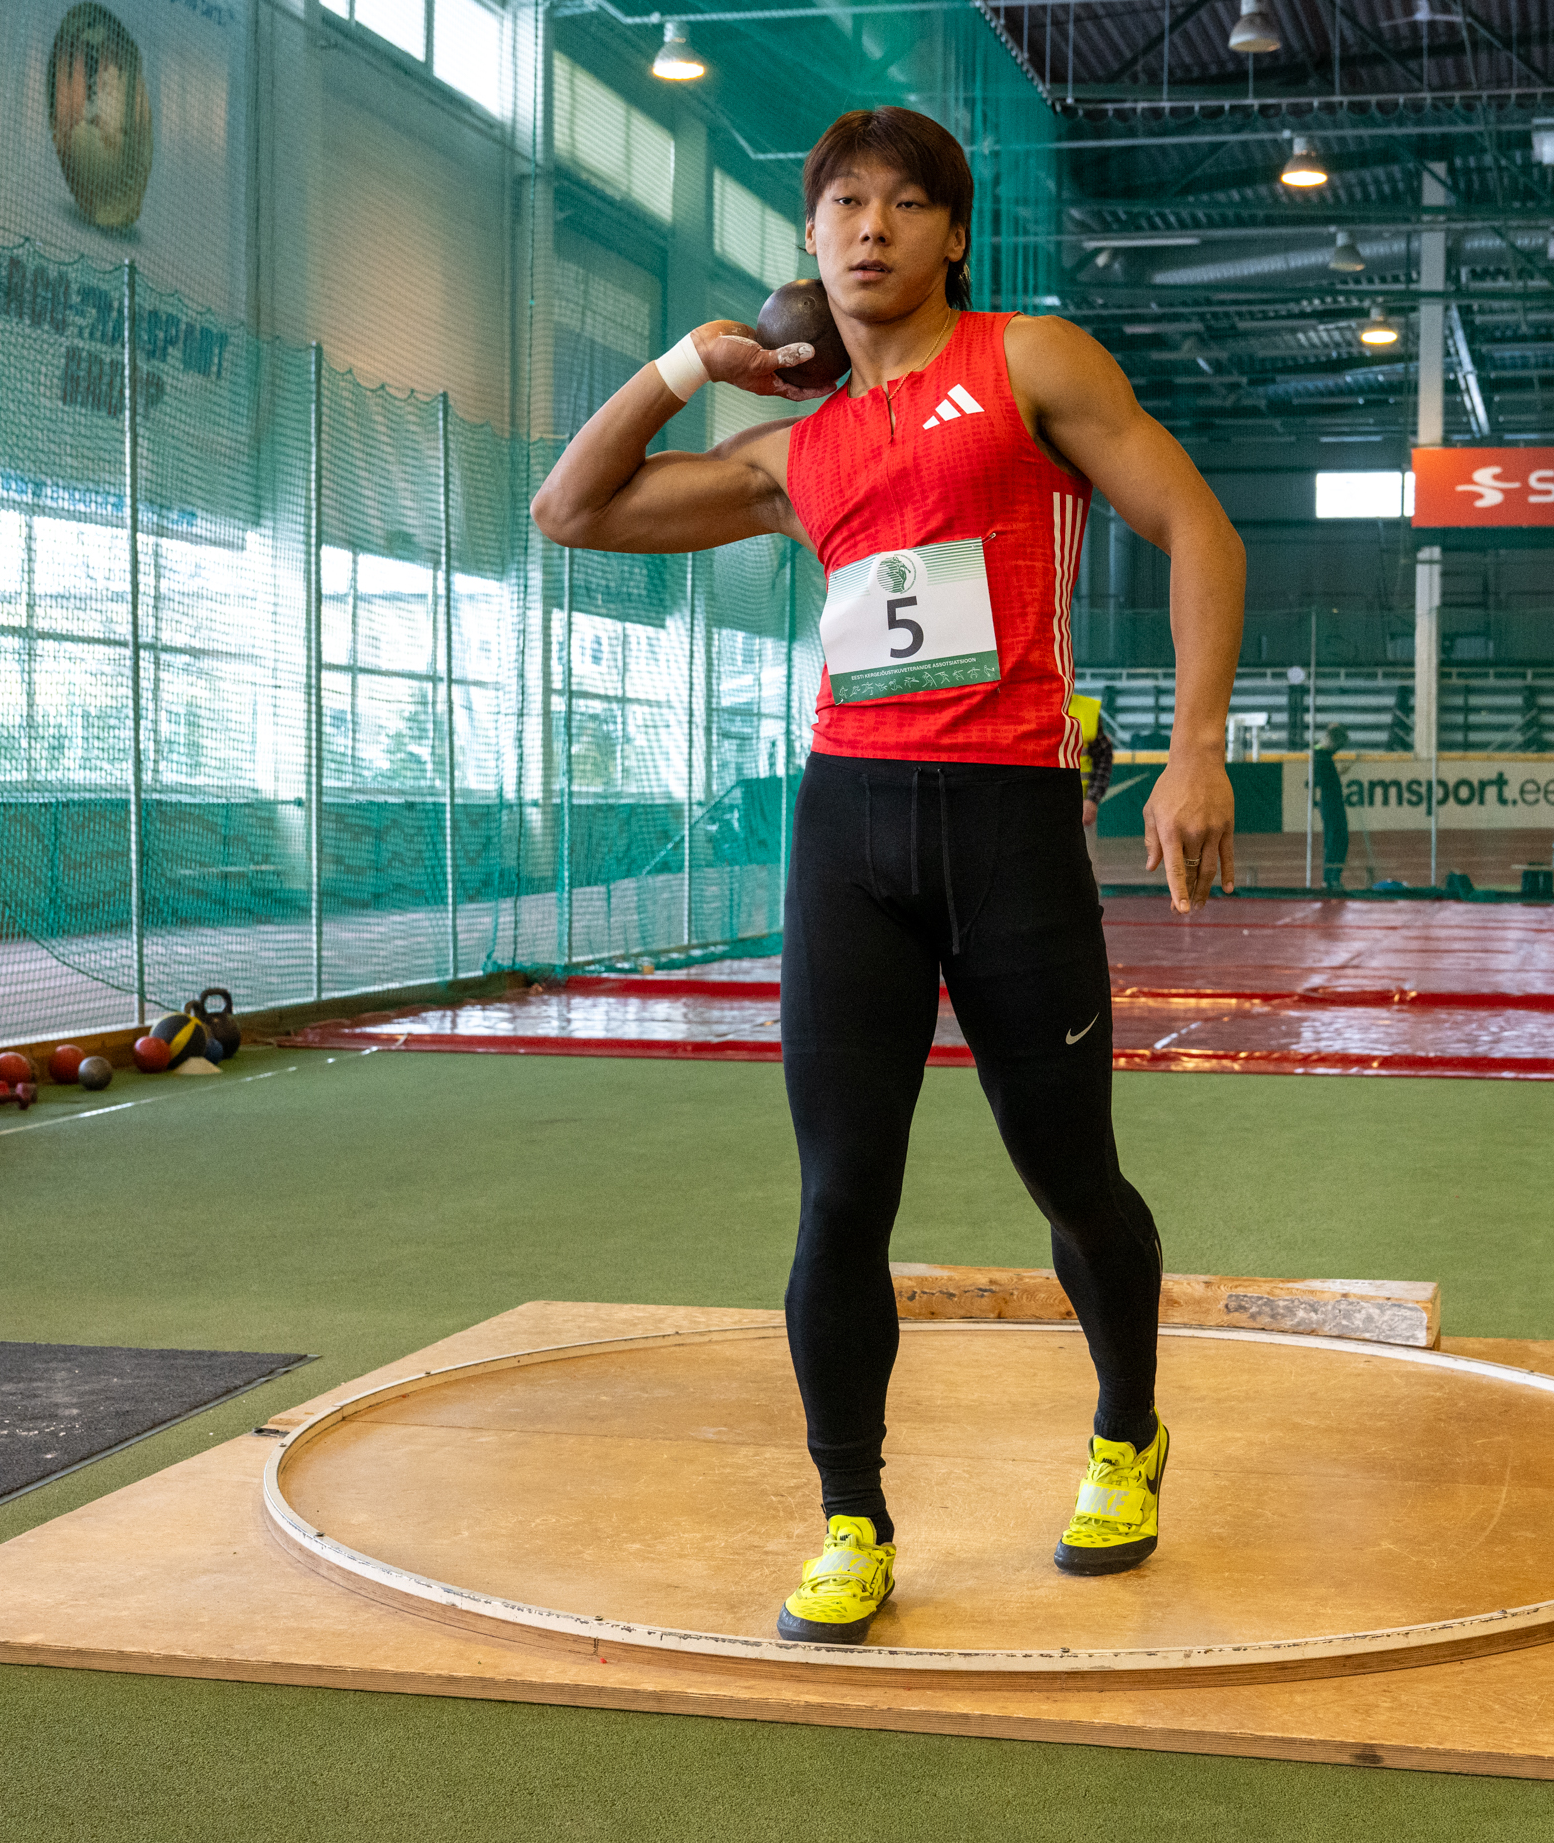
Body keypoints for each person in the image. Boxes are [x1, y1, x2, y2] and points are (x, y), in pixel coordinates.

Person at [532, 107, 1245, 1645]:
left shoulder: (1030, 362)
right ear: (809, 239)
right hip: (848, 828)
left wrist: (1196, 747)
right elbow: (569, 511)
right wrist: (689, 365)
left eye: (907, 203)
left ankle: (1127, 1432)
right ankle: (851, 1519)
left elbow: (1196, 525)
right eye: (843, 202)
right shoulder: (794, 453)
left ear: (954, 235)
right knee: (841, 1194)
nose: (872, 226)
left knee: (1072, 1177)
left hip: (1012, 823)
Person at [1312, 722, 1351, 892]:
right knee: (1336, 839)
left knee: (1337, 838)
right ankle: (1331, 878)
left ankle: (1332, 877)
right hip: (1331, 802)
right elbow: (1322, 779)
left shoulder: (1323, 755)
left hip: (1331, 801)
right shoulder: (1321, 754)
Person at [1069, 691, 1115, 828]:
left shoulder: (1087, 710)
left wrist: (1092, 799)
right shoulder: (1024, 708)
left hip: (1081, 811)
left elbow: (1103, 756)